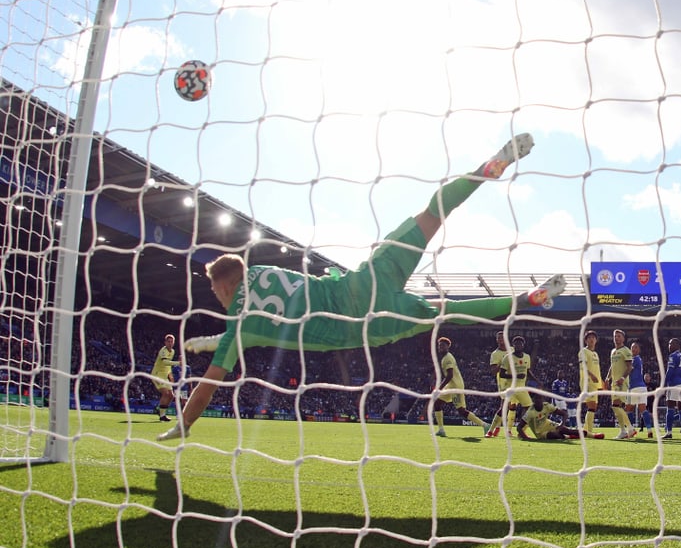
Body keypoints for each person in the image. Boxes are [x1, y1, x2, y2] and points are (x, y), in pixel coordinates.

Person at [158, 134, 567, 440]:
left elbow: (215, 374)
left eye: (218, 294)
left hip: (363, 324)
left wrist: (184, 423)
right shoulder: (260, 270)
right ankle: (490, 167)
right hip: (364, 281)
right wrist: (214, 338)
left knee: (448, 312)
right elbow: (261, 316)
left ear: (225, 288)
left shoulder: (238, 321)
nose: (221, 299)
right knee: (432, 213)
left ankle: (527, 299)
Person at [432, 337, 489, 437]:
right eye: (439, 345)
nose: (440, 347)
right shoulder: (445, 358)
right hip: (451, 387)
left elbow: (450, 375)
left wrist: (439, 388)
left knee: (461, 411)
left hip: (455, 387)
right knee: (437, 403)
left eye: (443, 345)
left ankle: (484, 425)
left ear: (448, 347)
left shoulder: (448, 358)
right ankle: (441, 430)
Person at [486, 335, 541, 437]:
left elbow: (528, 371)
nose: (518, 345)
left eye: (520, 344)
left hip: (521, 388)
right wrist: (516, 376)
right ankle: (490, 430)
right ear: (514, 345)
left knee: (529, 409)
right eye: (516, 344)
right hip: (508, 387)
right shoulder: (505, 357)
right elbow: (500, 373)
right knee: (504, 408)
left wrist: (538, 381)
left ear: (523, 345)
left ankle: (519, 430)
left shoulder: (526, 357)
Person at [517, 392, 602, 440]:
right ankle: (568, 437)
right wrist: (527, 438)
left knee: (568, 430)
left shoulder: (547, 406)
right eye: (536, 399)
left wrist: (561, 424)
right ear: (533, 401)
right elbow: (519, 427)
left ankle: (593, 435)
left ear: (542, 399)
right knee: (554, 435)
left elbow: (564, 414)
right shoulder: (530, 412)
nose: (538, 401)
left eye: (540, 399)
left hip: (549, 425)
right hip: (541, 433)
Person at [606, 329, 636, 440]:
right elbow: (612, 366)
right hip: (614, 382)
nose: (616, 338)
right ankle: (624, 431)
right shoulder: (613, 351)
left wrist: (623, 378)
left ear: (623, 338)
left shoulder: (626, 350)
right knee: (616, 407)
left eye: (619, 336)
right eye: (615, 336)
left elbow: (630, 367)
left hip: (621, 383)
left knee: (616, 406)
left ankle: (629, 428)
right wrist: (607, 378)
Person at [484, 331, 512, 438]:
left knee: (511, 406)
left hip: (515, 381)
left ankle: (500, 428)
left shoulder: (513, 350)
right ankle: (491, 430)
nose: (501, 340)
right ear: (497, 340)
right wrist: (503, 364)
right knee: (504, 406)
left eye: (502, 337)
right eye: (499, 338)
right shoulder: (495, 354)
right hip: (503, 382)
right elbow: (493, 371)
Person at [662, 338, 681, 439]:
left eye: (671, 344)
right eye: (669, 344)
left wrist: (664, 384)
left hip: (674, 384)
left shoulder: (672, 356)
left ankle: (669, 432)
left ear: (677, 345)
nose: (669, 346)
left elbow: (670, 371)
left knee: (670, 407)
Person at [578, 330, 603, 436]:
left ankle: (585, 430)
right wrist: (592, 375)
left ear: (596, 340)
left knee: (593, 406)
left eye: (593, 337)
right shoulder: (583, 352)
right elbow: (582, 366)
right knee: (592, 406)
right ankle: (589, 431)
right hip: (587, 382)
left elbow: (597, 370)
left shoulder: (595, 354)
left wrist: (600, 383)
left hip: (594, 384)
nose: (591, 339)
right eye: (589, 338)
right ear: (585, 340)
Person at [150, 334, 177, 422]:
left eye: (171, 341)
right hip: (157, 375)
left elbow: (168, 367)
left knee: (171, 395)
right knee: (165, 393)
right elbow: (165, 362)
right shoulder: (163, 351)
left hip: (165, 376)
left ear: (173, 343)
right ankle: (161, 415)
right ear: (165, 342)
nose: (170, 343)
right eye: (168, 341)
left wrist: (170, 376)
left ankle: (161, 412)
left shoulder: (172, 351)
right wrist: (178, 363)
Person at [629, 339, 653, 438]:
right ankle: (649, 430)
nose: (633, 349)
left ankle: (630, 431)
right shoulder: (639, 359)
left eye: (635, 347)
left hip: (634, 387)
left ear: (639, 350)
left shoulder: (635, 359)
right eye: (632, 347)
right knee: (643, 409)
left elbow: (629, 370)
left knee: (628, 410)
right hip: (642, 387)